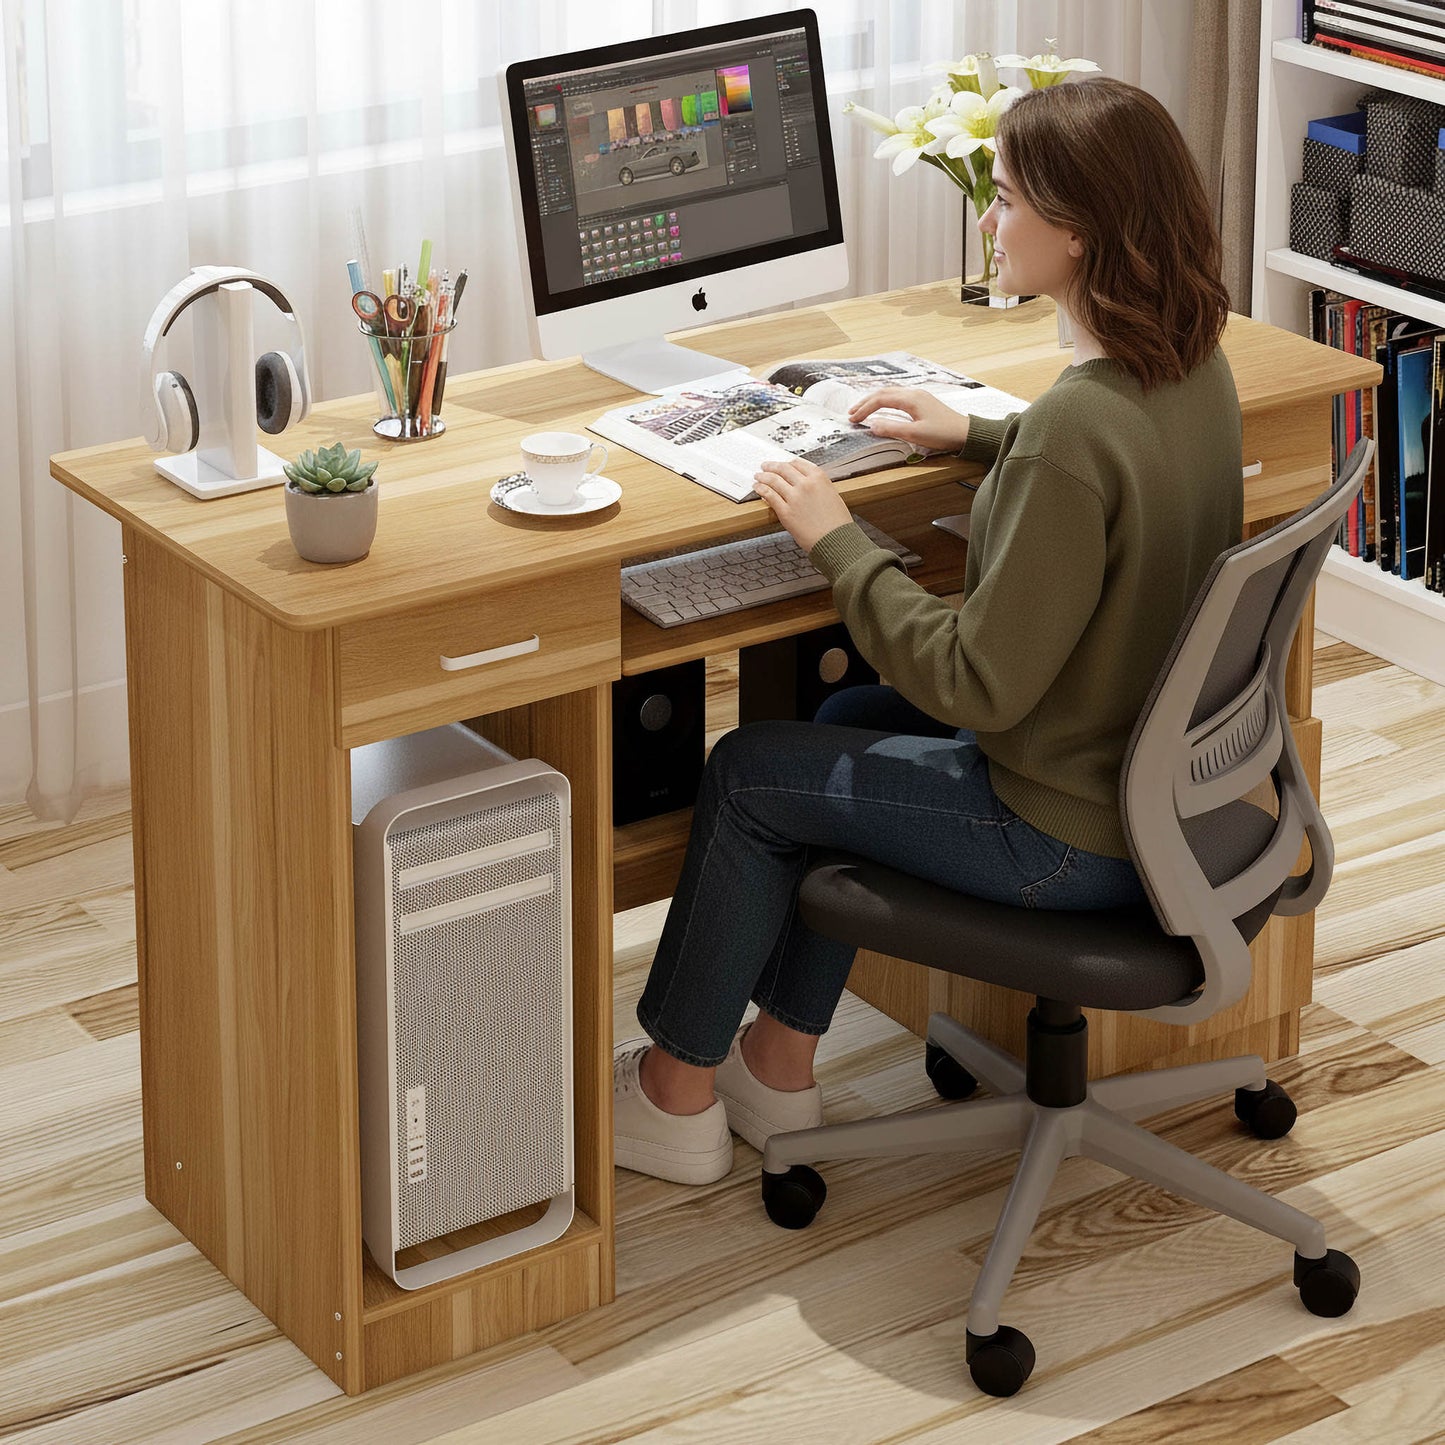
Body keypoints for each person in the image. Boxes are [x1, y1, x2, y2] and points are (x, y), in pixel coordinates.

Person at [612, 76, 1243, 1185]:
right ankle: (779, 1060)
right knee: (843, 714)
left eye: (1003, 201)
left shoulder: (1071, 434)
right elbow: (1104, 473)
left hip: (1059, 837)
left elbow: (971, 684)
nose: (987, 223)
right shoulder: (1192, 366)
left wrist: (834, 536)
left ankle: (673, 1097)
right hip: (1160, 796)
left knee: (753, 771)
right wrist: (982, 435)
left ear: (1080, 236)